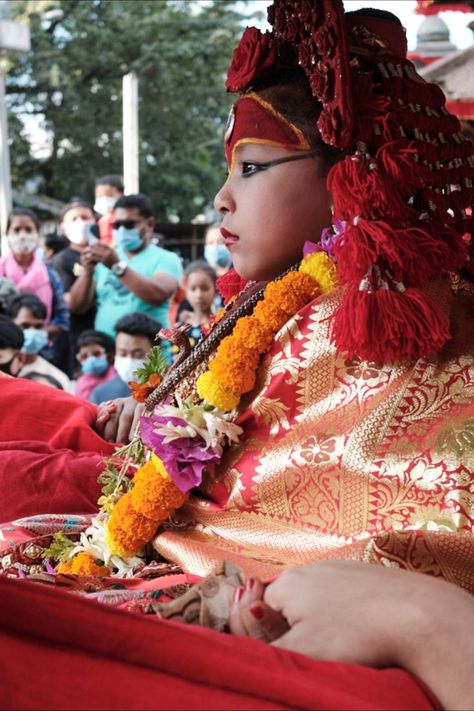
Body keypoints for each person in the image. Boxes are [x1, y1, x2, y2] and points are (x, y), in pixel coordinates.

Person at [0, 3, 473, 708]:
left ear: (350, 170)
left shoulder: (374, 305)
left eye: (250, 167)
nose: (221, 199)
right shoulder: (274, 296)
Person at [68, 193, 183, 359]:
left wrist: (117, 266)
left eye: (129, 224)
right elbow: (76, 306)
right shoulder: (107, 256)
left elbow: (157, 295)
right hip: (106, 356)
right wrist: (87, 271)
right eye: (117, 225)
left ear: (149, 224)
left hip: (147, 357)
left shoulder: (165, 259)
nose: (121, 230)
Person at [0, 208, 70, 347]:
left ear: (37, 235)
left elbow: (62, 319)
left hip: (43, 349)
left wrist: (37, 333)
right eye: (17, 230)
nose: (22, 236)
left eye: (28, 230)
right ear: (7, 234)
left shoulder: (50, 274)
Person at [51, 199, 98, 352]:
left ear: (94, 221)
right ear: (63, 227)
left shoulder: (107, 254)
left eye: (85, 218)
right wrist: (88, 272)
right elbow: (71, 304)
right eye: (74, 219)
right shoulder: (62, 260)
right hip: (80, 339)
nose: (81, 223)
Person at [89, 312, 161, 404]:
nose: (129, 360)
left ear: (156, 353)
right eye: (123, 354)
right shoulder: (101, 396)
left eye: (137, 355)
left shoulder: (172, 388)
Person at [7, 293, 73, 392]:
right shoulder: (4, 372)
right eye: (25, 326)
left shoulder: (58, 378)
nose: (32, 332)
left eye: (38, 327)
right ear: (10, 325)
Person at [174, 259, 217, 352]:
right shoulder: (179, 330)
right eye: (193, 289)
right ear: (186, 292)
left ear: (215, 290)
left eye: (205, 288)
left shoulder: (220, 325)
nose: (199, 295)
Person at [75, 329, 117, 401]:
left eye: (96, 354)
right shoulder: (81, 383)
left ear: (109, 355)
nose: (91, 360)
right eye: (85, 356)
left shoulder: (118, 378)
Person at [93, 174, 124, 246]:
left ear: (121, 194)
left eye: (110, 195)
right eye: (100, 196)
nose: (104, 199)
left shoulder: (124, 219)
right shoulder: (98, 222)